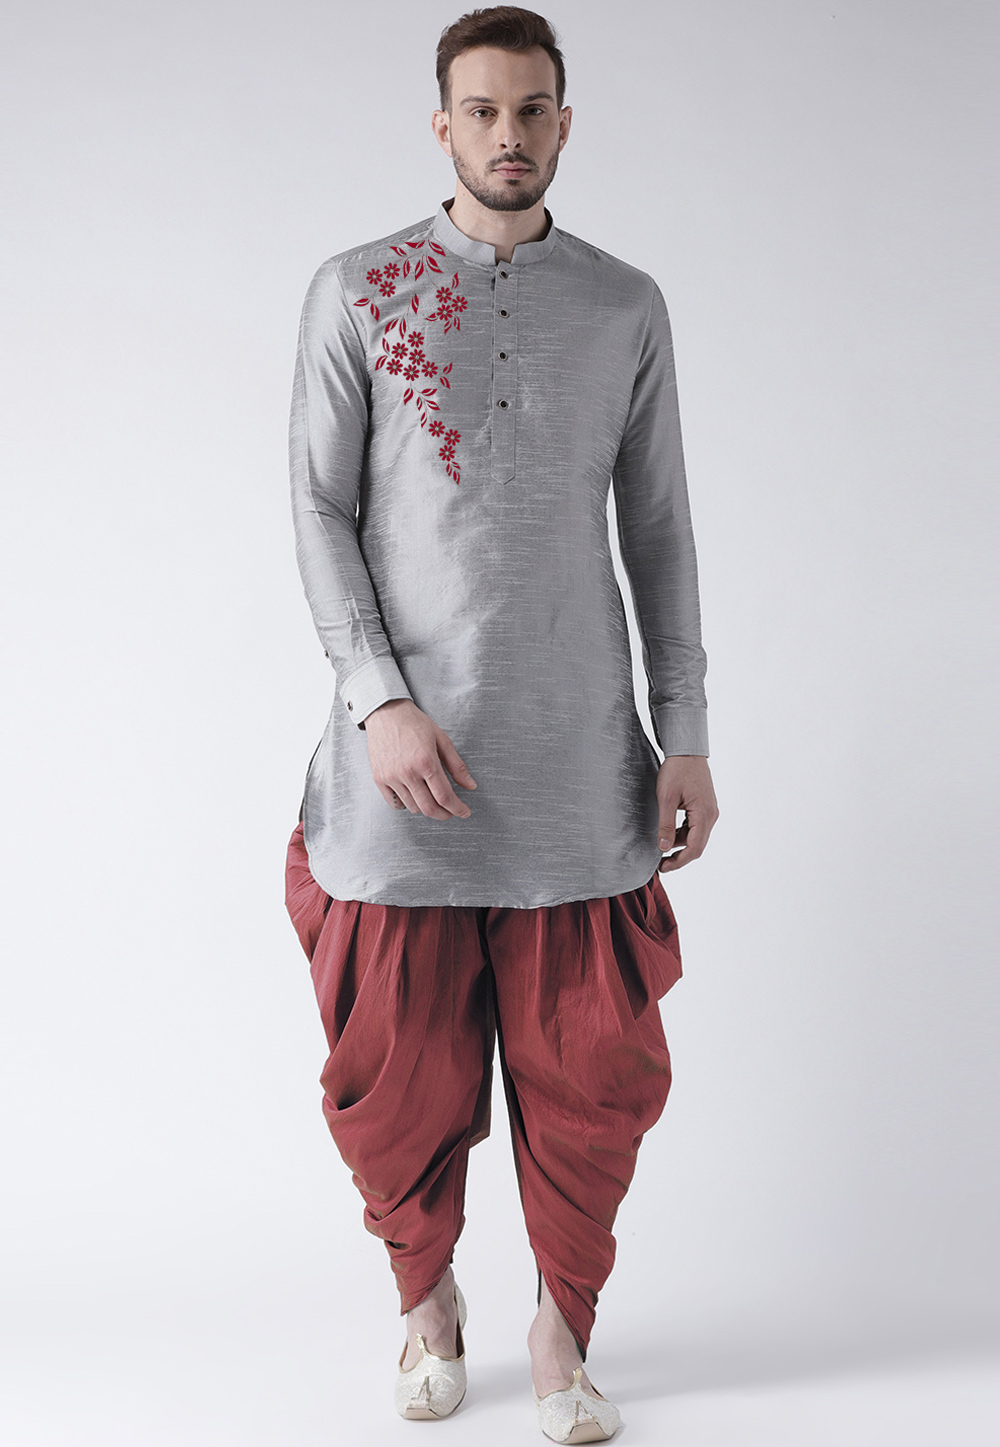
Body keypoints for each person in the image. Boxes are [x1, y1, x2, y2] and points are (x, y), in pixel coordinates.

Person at [283, 7, 718, 1440]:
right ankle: (427, 1306)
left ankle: (560, 1331)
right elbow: (319, 509)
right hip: (399, 768)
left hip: (577, 758)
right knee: (395, 1077)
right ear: (443, 126)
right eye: (482, 111)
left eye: (533, 110)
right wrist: (381, 700)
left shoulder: (623, 304)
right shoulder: (359, 290)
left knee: (590, 1077)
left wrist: (685, 726)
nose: (509, 136)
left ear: (564, 123)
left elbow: (658, 527)